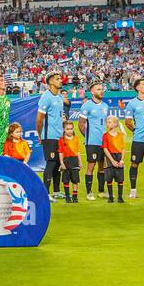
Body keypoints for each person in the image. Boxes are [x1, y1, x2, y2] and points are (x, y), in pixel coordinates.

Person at [36, 72, 66, 202]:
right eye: (57, 79)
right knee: (51, 163)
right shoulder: (46, 97)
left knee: (58, 163)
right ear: (50, 82)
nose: (61, 81)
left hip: (59, 135)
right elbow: (39, 119)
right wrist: (40, 135)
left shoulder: (59, 97)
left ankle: (56, 191)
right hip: (49, 136)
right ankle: (45, 193)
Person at [78, 82, 109, 202]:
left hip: (104, 142)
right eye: (98, 89)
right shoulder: (87, 105)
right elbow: (81, 124)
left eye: (102, 89)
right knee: (91, 166)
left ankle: (101, 191)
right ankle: (89, 192)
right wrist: (87, 137)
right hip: (92, 142)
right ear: (92, 92)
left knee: (102, 167)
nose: (101, 91)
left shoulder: (105, 106)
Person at [101, 114, 126, 204]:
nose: (108, 124)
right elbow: (105, 148)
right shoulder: (105, 136)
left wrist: (122, 160)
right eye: (107, 122)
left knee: (120, 179)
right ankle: (111, 197)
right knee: (109, 178)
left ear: (116, 124)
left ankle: (120, 197)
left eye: (110, 122)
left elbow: (123, 148)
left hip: (119, 157)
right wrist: (112, 160)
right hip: (109, 158)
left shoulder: (121, 135)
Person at [58, 120, 82, 203]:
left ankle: (75, 196)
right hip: (66, 161)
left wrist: (80, 161)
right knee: (66, 180)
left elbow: (78, 151)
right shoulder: (61, 140)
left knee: (75, 180)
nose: (70, 131)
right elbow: (60, 152)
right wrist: (62, 163)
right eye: (67, 129)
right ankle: (67, 196)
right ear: (64, 129)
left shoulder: (76, 139)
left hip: (74, 161)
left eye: (71, 129)